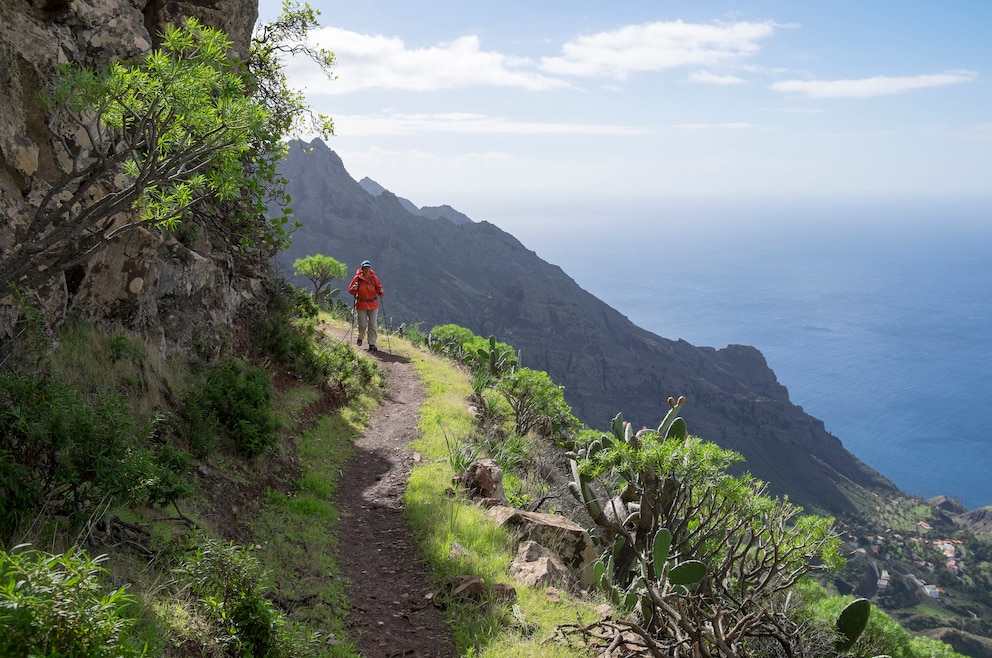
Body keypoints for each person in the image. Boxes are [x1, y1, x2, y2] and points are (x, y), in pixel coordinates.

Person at [348, 259, 384, 352]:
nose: (367, 270)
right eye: (365, 268)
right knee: (362, 325)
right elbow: (351, 291)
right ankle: (360, 337)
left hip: (373, 305)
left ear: (370, 268)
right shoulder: (357, 279)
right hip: (361, 305)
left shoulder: (374, 279)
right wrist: (354, 288)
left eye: (368, 268)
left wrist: (380, 291)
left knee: (373, 325)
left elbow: (380, 290)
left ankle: (372, 344)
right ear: (362, 269)